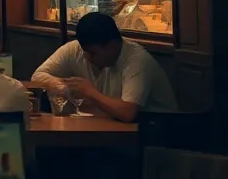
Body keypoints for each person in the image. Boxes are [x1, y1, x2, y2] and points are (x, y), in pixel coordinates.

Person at [31, 12, 177, 122]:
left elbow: (128, 112)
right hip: (113, 133)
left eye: (93, 53)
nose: (87, 58)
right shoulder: (75, 50)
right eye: (84, 52)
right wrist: (67, 88)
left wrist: (91, 93)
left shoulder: (136, 60)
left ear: (112, 45)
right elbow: (37, 77)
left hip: (156, 137)